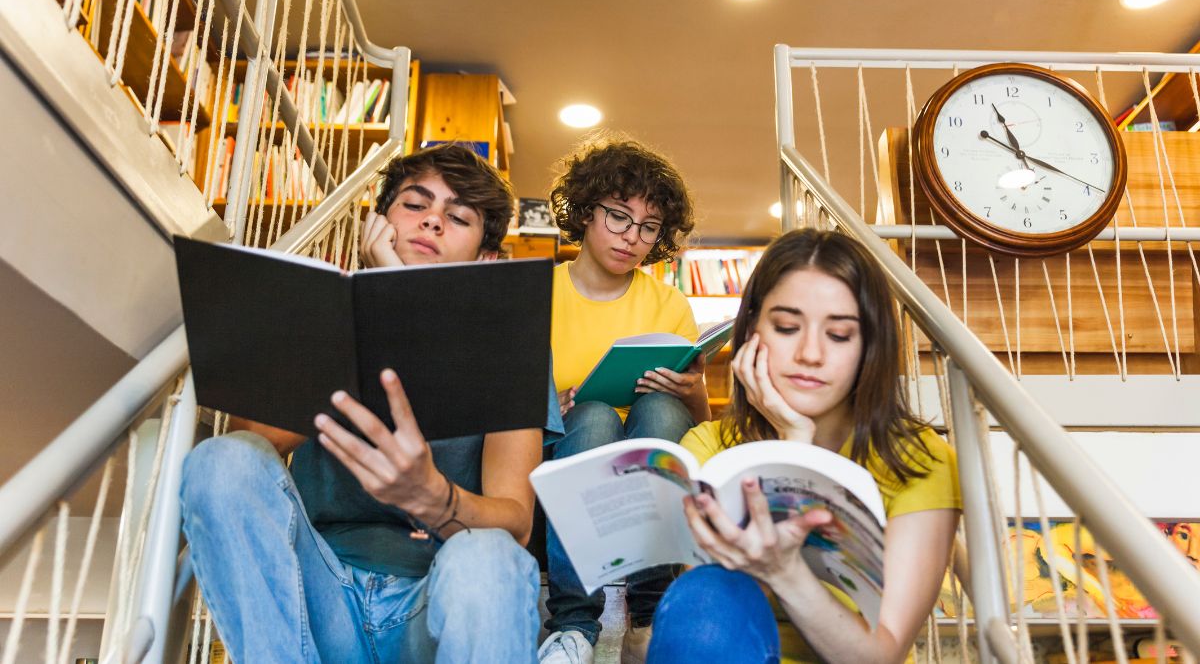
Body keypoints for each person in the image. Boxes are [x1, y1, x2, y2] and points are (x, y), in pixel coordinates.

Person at [179, 144, 561, 664]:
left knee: (491, 556)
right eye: (415, 205)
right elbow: (253, 455)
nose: (431, 222)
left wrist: (430, 495)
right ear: (378, 222)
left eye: (457, 217)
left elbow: (516, 522)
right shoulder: (321, 317)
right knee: (219, 460)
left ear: (486, 258)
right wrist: (379, 312)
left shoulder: (508, 344)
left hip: (436, 598)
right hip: (320, 595)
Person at [647, 228, 962, 664]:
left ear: (869, 346)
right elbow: (708, 620)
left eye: (839, 335)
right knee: (707, 591)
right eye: (787, 327)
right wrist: (792, 448)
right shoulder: (708, 447)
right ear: (753, 330)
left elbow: (881, 656)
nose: (810, 353)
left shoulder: (919, 460)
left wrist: (785, 571)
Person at [539, 136, 706, 664]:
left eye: (649, 227)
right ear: (587, 212)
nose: (632, 237)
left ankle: (652, 605)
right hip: (561, 461)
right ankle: (573, 620)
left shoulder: (669, 303)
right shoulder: (537, 292)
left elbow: (699, 428)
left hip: (645, 465)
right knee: (590, 417)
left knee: (659, 409)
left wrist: (689, 391)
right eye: (618, 217)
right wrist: (545, 404)